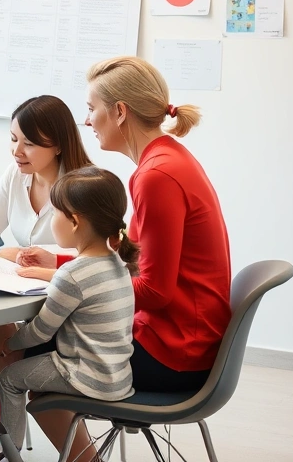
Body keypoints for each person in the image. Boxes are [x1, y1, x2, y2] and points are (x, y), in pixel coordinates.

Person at [18, 56, 231, 459]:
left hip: (177, 351)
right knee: (33, 349)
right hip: (184, 338)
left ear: (119, 112)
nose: (86, 121)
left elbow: (154, 290)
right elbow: (124, 263)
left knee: (25, 358)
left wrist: (61, 280)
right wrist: (58, 266)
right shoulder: (166, 160)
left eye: (91, 108)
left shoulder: (156, 176)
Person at [0, 166, 137, 453]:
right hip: (118, 375)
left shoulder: (72, 274)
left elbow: (40, 332)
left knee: (8, 378)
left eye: (55, 213)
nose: (52, 221)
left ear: (74, 222)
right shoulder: (119, 263)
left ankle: (10, 451)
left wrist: (9, 344)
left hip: (85, 375)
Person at [0, 94, 93, 263]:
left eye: (29, 144)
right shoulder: (15, 174)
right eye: (13, 139)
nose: (16, 151)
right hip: (22, 283)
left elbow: (98, 257)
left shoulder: (88, 186)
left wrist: (24, 256)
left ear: (58, 146)